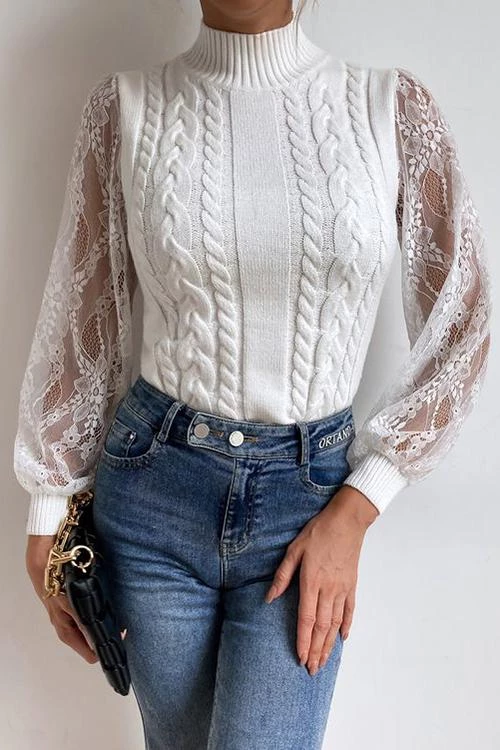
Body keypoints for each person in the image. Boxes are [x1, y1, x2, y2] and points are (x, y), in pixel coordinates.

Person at [14, 0, 492, 747]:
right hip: (153, 492)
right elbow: (84, 315)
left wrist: (357, 507)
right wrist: (49, 508)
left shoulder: (390, 108)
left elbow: (464, 322)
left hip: (308, 506)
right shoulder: (124, 108)